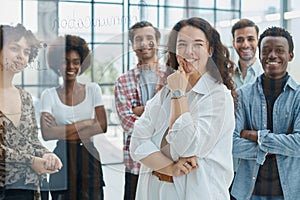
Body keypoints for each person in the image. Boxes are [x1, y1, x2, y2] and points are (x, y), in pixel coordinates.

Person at [130, 17, 237, 200]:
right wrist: (170, 168)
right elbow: (137, 142)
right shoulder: (165, 92)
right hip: (155, 191)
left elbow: (187, 146)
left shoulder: (218, 96)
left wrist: (178, 93)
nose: (189, 52)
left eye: (198, 44)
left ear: (210, 50)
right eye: (182, 44)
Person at [231, 27, 299, 200]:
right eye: (266, 51)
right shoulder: (242, 95)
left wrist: (257, 136)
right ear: (259, 55)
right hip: (248, 192)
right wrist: (277, 147)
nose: (272, 55)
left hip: (289, 192)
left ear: (290, 55)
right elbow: (231, 144)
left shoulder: (298, 97)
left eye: (280, 51)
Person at [40, 34, 107, 200]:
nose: (71, 66)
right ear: (57, 64)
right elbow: (47, 134)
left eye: (76, 61)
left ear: (82, 63)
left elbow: (101, 126)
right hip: (61, 158)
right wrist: (85, 124)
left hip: (89, 156)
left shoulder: (93, 89)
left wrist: (60, 130)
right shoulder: (49, 95)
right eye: (65, 61)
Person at [0, 24, 62, 200]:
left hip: (32, 186)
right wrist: (31, 161)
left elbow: (33, 140)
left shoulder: (25, 97)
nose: (21, 56)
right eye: (14, 48)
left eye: (27, 52)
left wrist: (46, 154)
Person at [114, 21, 173, 200]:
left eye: (149, 38)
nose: (144, 43)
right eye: (138, 39)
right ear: (132, 45)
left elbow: (176, 118)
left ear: (157, 42)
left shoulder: (172, 76)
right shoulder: (122, 81)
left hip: (168, 161)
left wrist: (140, 110)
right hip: (136, 165)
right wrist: (157, 112)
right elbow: (128, 123)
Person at [231, 18, 263, 88]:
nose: (245, 45)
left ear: (258, 41)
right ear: (233, 44)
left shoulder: (266, 75)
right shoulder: (227, 76)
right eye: (240, 40)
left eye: (250, 39)